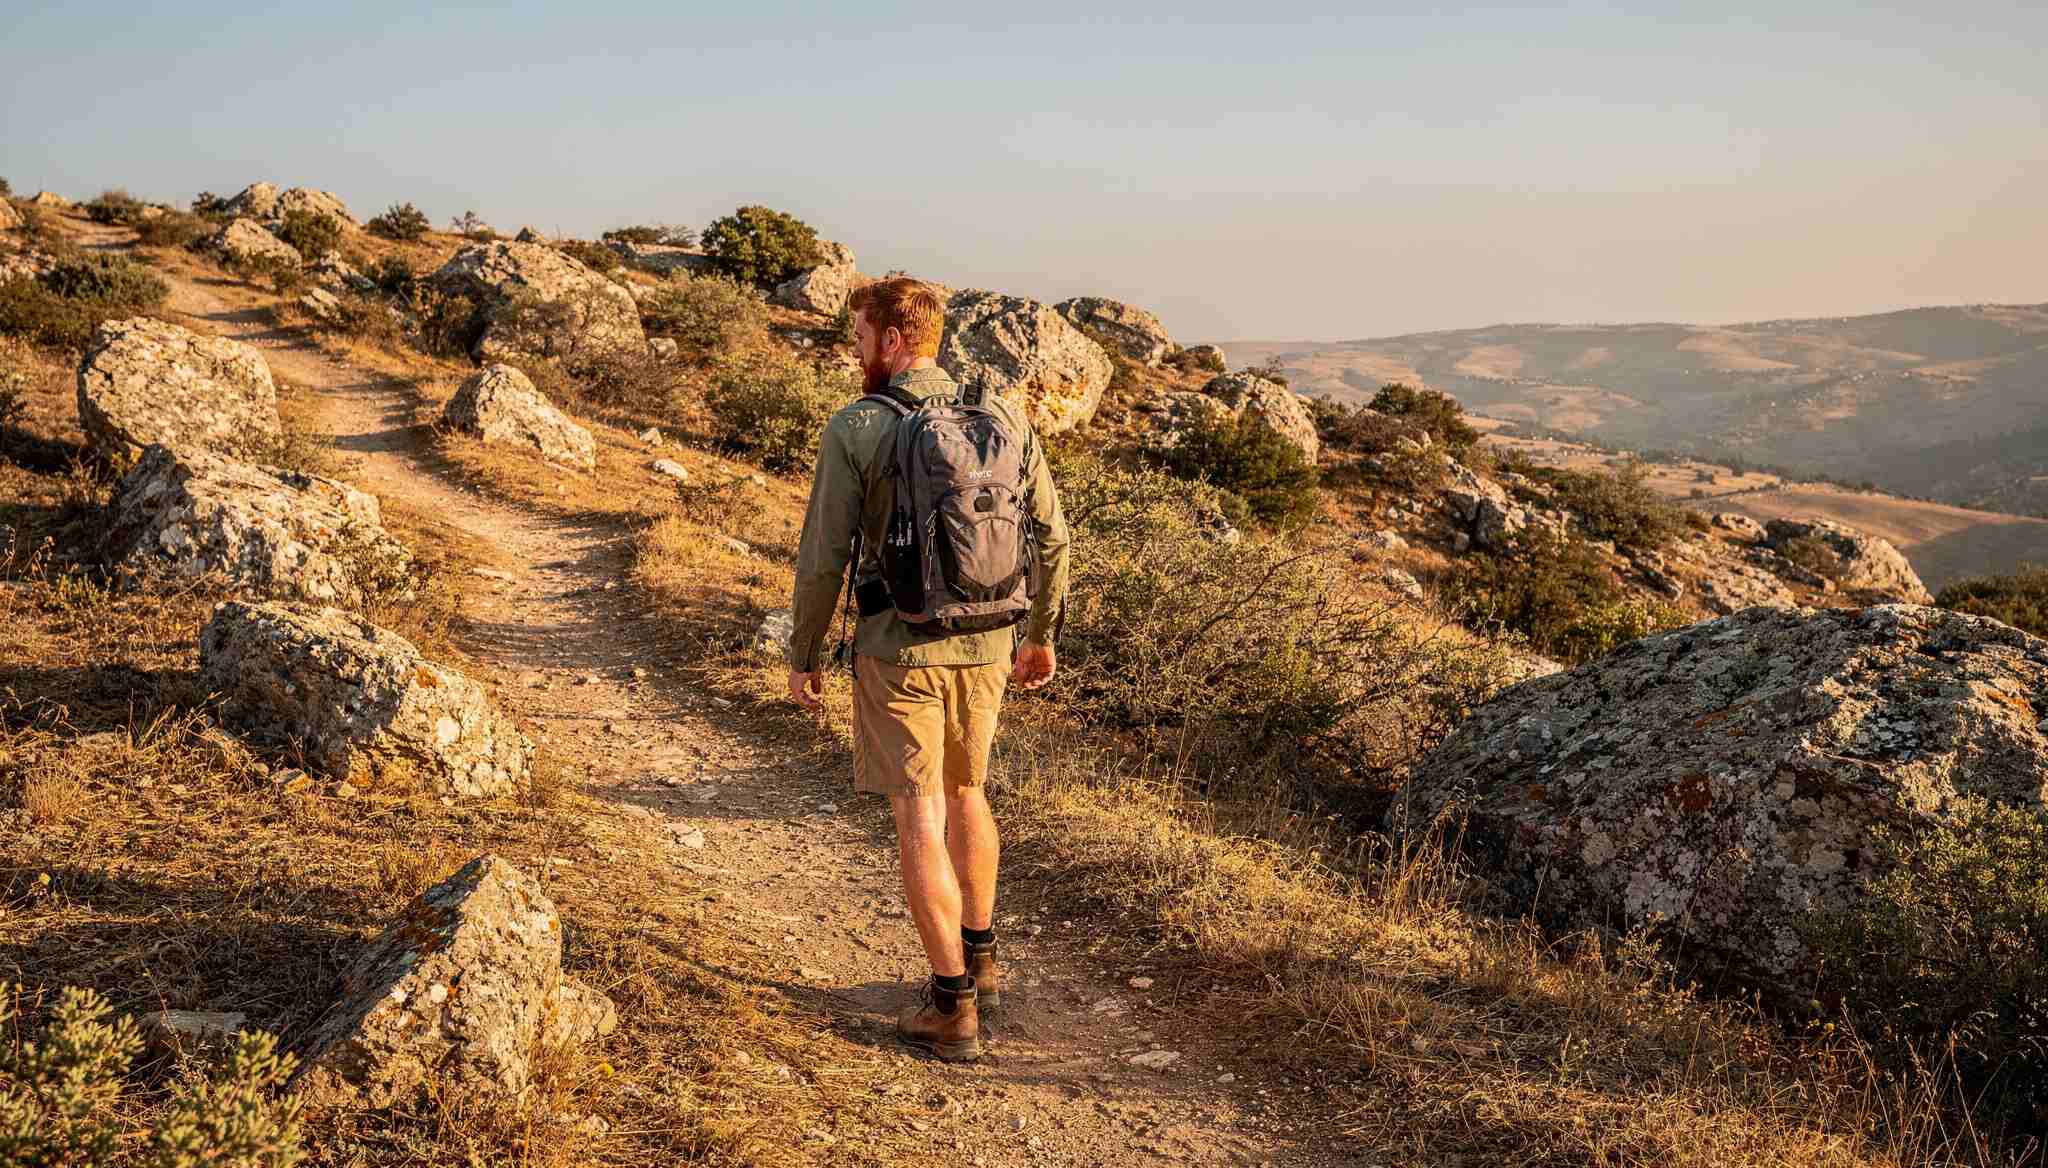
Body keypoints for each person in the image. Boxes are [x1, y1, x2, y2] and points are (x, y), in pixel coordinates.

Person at [785, 277, 1069, 1063]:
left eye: (859, 335)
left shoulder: (858, 426)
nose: (853, 349)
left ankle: (953, 1009)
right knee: (967, 793)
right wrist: (1039, 634)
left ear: (892, 340)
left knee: (918, 816)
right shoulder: (1003, 418)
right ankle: (983, 960)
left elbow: (822, 561)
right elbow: (1054, 538)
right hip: (987, 644)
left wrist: (804, 655)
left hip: (897, 649)